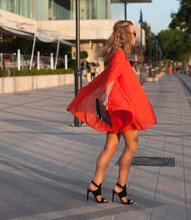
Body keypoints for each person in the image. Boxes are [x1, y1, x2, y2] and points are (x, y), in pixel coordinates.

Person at [67, 20, 156, 205]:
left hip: (118, 108)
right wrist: (107, 98)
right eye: (133, 33)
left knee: (111, 147)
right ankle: (120, 186)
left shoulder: (119, 54)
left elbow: (112, 78)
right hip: (122, 109)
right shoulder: (119, 55)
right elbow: (110, 79)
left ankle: (95, 184)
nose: (134, 37)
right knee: (132, 147)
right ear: (124, 35)